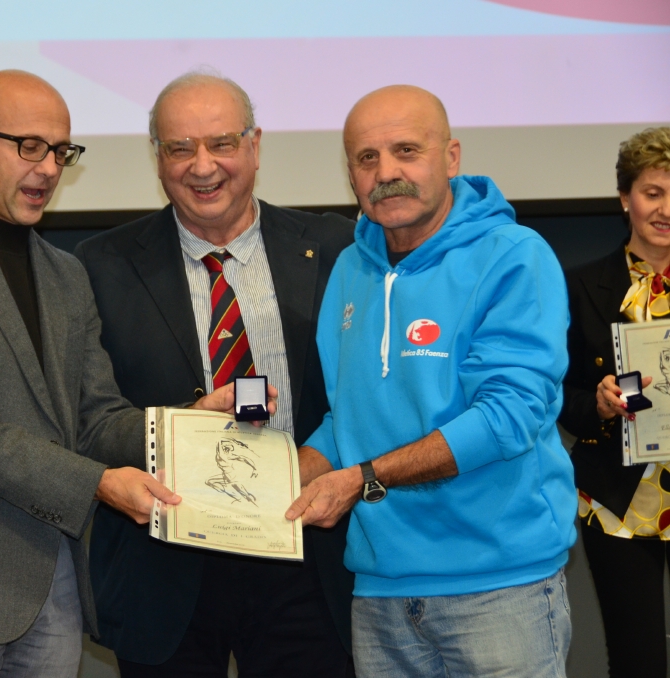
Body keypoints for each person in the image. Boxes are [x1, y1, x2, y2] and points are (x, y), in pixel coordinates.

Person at [0, 70, 244, 678]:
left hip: (54, 579)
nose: (47, 169)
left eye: (60, 151)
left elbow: (96, 418)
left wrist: (180, 425)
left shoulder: (65, 273)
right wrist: (98, 485)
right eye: (29, 146)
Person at [287, 84, 577, 677]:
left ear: (451, 157)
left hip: (499, 589)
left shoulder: (513, 256)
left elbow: (507, 418)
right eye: (367, 158)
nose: (385, 173)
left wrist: (363, 478)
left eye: (406, 151)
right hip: (380, 592)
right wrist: (272, 481)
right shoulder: (350, 270)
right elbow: (348, 421)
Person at [75, 72, 355, 677]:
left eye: (222, 143)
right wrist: (179, 428)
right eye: (180, 148)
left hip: (305, 559)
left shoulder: (336, 247)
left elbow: (367, 395)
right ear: (157, 158)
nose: (202, 166)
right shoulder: (100, 266)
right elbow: (86, 419)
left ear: (255, 145)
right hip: (164, 567)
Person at [560, 126, 670, 678]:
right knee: (637, 657)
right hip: (617, 496)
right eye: (653, 193)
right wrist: (598, 404)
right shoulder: (581, 284)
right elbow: (556, 392)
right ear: (625, 198)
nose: (666, 209)